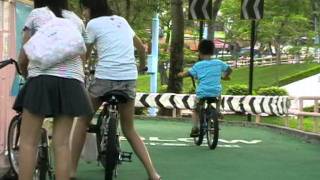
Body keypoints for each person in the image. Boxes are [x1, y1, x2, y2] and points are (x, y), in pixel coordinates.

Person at [70, 0, 161, 180]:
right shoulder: (122, 21)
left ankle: (71, 171)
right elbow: (142, 48)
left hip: (105, 79)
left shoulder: (93, 24)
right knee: (129, 129)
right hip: (128, 78)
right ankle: (153, 173)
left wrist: (84, 68)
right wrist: (142, 67)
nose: (84, 14)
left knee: (82, 121)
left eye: (84, 9)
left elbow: (84, 54)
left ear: (90, 8)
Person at [13, 0, 93, 180]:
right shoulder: (77, 21)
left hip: (41, 81)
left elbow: (25, 53)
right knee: (62, 143)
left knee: (28, 142)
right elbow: (82, 55)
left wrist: (24, 72)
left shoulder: (36, 15)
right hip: (72, 83)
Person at [178, 39, 232, 137]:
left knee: (195, 110)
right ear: (212, 51)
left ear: (200, 52)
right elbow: (229, 69)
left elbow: (188, 73)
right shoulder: (219, 63)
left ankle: (195, 128)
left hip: (202, 92)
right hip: (215, 91)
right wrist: (224, 76)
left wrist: (180, 74)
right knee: (219, 95)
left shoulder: (198, 65)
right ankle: (218, 110)